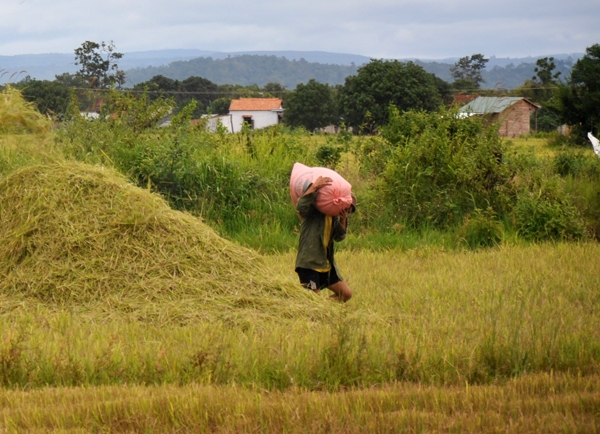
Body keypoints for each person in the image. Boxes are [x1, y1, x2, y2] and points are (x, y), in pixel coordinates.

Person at [294, 176, 355, 302]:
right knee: (313, 301)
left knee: (346, 294)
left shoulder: (334, 216)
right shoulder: (313, 211)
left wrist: (343, 220)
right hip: (309, 263)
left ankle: (324, 310)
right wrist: (315, 186)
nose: (347, 210)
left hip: (326, 263)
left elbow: (338, 237)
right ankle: (315, 312)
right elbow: (300, 206)